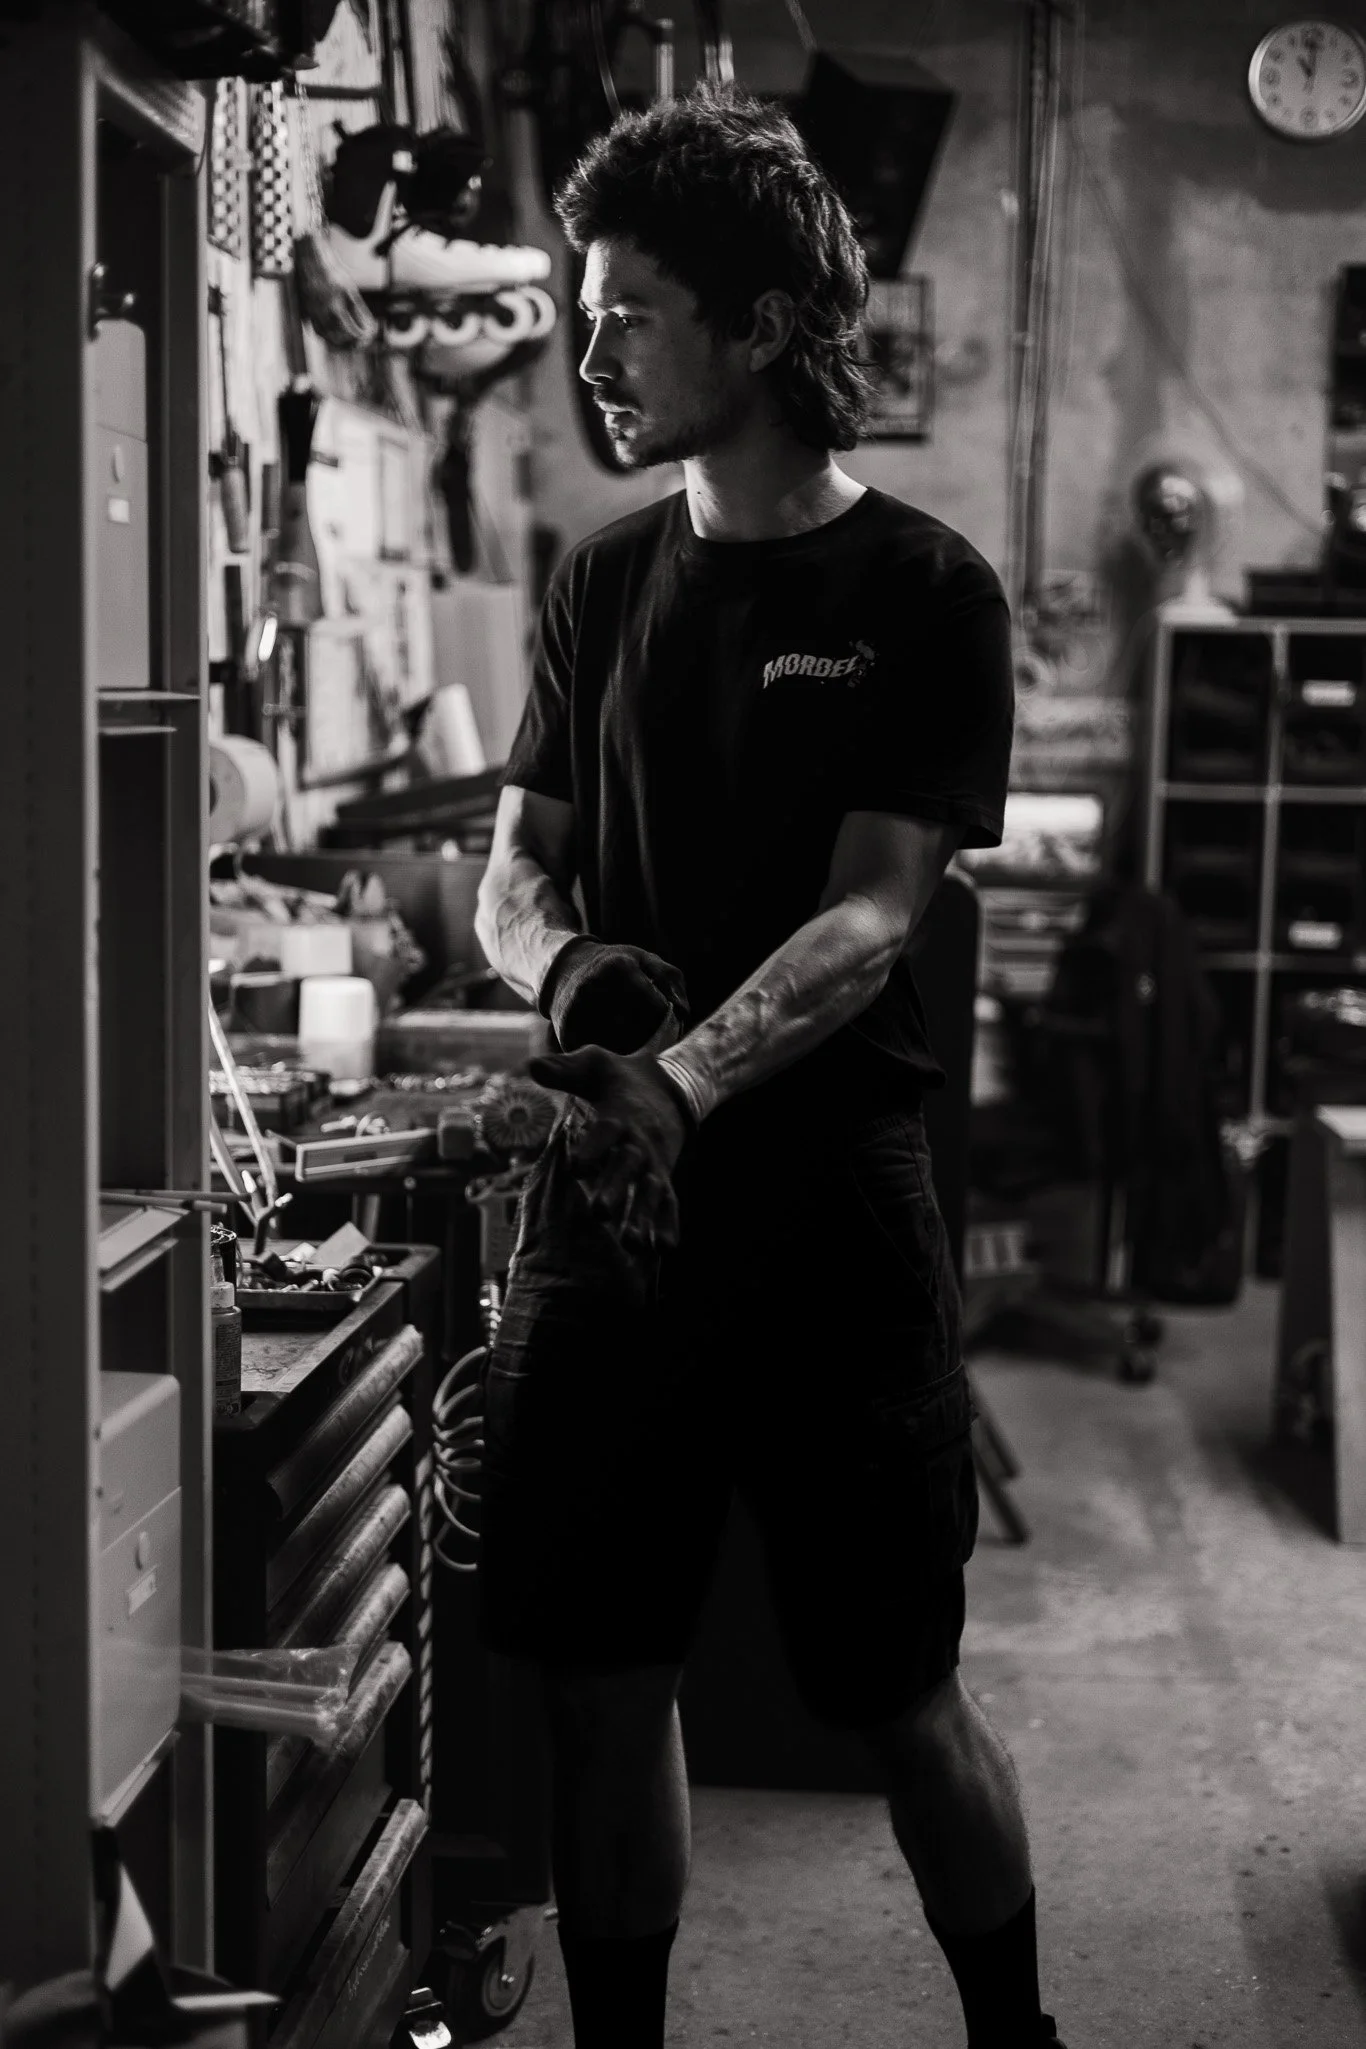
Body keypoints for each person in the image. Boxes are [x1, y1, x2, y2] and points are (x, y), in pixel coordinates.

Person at [473, 82, 1065, 2049]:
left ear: (745, 327)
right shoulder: (595, 581)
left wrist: (685, 1076)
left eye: (626, 312)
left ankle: (1015, 2037)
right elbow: (511, 865)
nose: (587, 348)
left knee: (893, 1688)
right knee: (597, 1676)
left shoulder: (919, 593)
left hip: (823, 1216)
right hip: (613, 1225)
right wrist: (557, 970)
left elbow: (879, 908)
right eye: (585, 307)